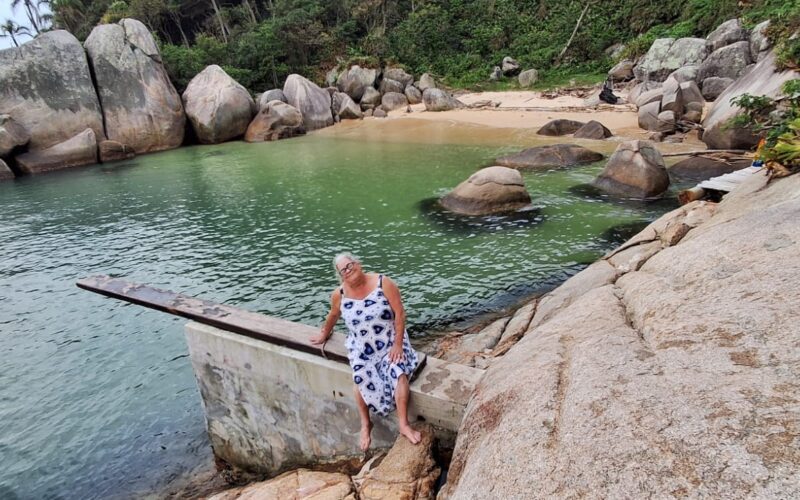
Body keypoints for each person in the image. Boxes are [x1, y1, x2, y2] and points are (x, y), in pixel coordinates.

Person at [310, 253, 421, 451]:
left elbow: (400, 314)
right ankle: (365, 424)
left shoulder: (383, 283)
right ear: (340, 275)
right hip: (362, 348)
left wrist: (397, 345)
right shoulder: (339, 294)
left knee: (398, 372)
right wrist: (324, 334)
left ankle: (403, 424)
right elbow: (333, 315)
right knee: (360, 378)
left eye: (350, 265)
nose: (348, 270)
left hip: (389, 341)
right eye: (343, 269)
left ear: (358, 263)